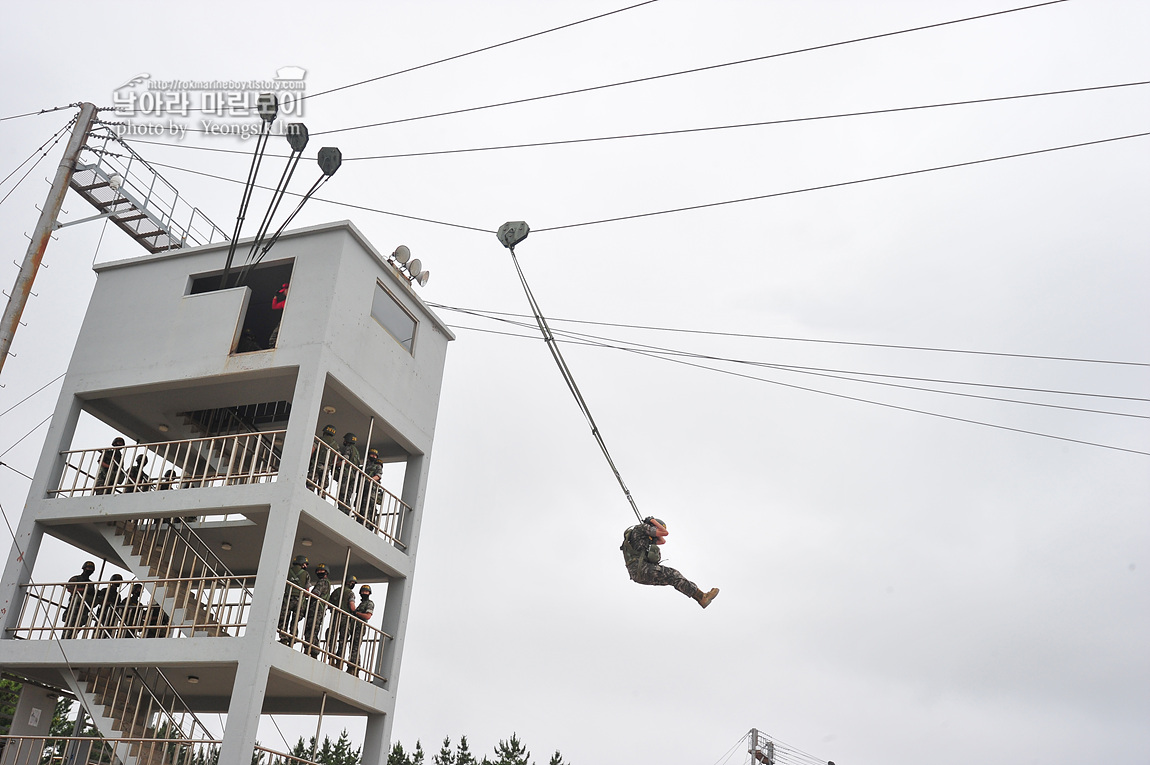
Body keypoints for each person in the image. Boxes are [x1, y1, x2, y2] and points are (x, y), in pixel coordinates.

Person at [620, 517, 718, 609]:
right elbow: (664, 533)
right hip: (641, 569)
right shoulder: (641, 528)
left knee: (673, 579)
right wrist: (653, 520)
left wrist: (654, 530)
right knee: (673, 574)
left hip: (638, 573)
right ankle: (702, 597)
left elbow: (662, 541)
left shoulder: (642, 537)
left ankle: (701, 598)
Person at [278, 554, 310, 645]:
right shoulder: (306, 574)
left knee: (284, 619)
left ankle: (283, 637)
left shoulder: (287, 571)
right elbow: (307, 591)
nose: (306, 566)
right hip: (299, 600)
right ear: (302, 563)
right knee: (295, 620)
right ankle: (293, 637)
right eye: (305, 564)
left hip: (286, 599)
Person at [301, 563, 331, 657]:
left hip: (317, 608)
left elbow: (315, 593)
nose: (319, 572)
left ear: (326, 572)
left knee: (311, 629)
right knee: (313, 629)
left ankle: (312, 650)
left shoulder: (322, 582)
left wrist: (305, 594)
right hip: (318, 609)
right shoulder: (327, 583)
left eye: (322, 571)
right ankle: (312, 649)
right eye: (318, 571)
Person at [327, 575, 357, 668]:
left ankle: (331, 656)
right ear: (349, 582)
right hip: (345, 618)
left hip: (335, 616)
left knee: (332, 635)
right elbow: (352, 607)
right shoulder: (350, 593)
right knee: (343, 639)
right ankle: (339, 660)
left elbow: (329, 605)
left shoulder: (336, 591)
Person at [345, 583, 375, 677]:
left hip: (360, 628)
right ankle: (353, 666)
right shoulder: (361, 604)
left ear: (369, 593)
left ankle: (354, 668)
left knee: (356, 647)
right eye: (362, 591)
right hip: (354, 627)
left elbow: (367, 616)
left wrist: (357, 613)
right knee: (353, 647)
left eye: (366, 591)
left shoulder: (369, 603)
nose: (364, 593)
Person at [62, 561, 98, 636]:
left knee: (79, 625)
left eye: (91, 569)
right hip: (74, 606)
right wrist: (82, 590)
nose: (89, 570)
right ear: (84, 569)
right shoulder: (76, 578)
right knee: (69, 626)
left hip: (84, 608)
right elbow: (70, 588)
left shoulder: (90, 583)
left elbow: (92, 596)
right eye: (88, 568)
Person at [309, 424, 339, 495]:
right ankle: (321, 498)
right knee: (322, 487)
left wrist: (309, 460)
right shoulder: (336, 446)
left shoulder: (320, 439)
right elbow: (335, 459)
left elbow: (313, 449)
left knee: (311, 484)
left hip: (316, 464)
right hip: (326, 468)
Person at [336, 432, 361, 512]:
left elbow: (345, 460)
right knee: (348, 495)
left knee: (343, 494)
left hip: (347, 474)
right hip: (353, 476)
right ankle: (347, 511)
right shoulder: (357, 452)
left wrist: (336, 465)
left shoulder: (348, 448)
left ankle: (342, 510)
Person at [94, 574, 124, 638]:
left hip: (111, 616)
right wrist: (108, 603)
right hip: (103, 614)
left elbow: (117, 605)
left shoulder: (117, 595)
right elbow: (99, 600)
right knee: (99, 632)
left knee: (109, 633)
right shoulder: (105, 590)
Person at [359, 448, 383, 526]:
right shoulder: (365, 466)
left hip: (371, 489)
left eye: (375, 455)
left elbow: (378, 476)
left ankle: (369, 524)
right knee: (361, 505)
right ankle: (361, 521)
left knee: (369, 506)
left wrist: (370, 480)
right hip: (363, 488)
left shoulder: (377, 466)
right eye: (372, 454)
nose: (373, 456)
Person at [268, 282, 288, 347]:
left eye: (284, 292)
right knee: (274, 337)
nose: (283, 294)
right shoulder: (284, 302)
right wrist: (275, 296)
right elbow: (274, 306)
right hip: (285, 320)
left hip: (290, 320)